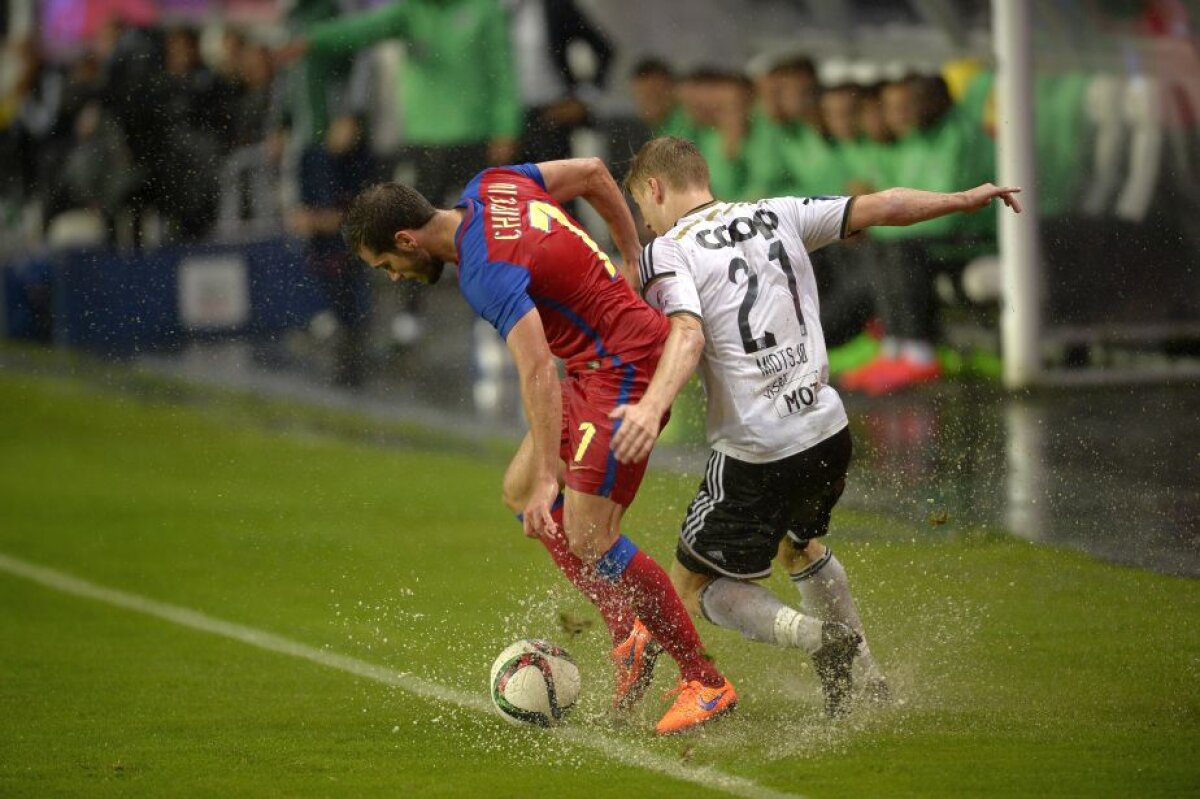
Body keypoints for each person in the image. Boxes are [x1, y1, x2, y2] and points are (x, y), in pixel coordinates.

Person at [612, 136, 1021, 716]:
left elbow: (687, 331)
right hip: (827, 431)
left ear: (654, 188)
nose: (645, 222)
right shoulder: (777, 212)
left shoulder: (667, 250)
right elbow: (885, 206)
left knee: (692, 587)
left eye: (640, 206)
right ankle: (869, 679)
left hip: (756, 447)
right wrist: (961, 199)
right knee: (798, 546)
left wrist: (652, 405)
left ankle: (815, 639)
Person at [340, 156, 737, 735]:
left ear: (406, 239)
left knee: (589, 533)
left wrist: (553, 474)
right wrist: (631, 255)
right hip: (593, 363)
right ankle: (628, 629)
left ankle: (705, 681)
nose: (394, 277)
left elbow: (535, 372)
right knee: (519, 488)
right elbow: (595, 173)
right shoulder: (491, 184)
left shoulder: (484, 272)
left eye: (388, 265)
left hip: (623, 365)